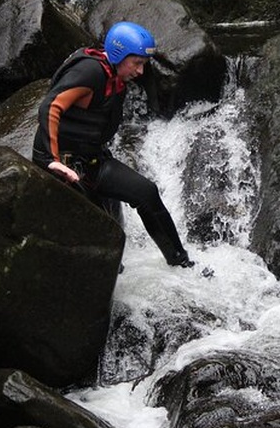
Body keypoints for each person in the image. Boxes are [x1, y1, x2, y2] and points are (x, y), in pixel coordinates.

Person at [32, 21, 194, 268]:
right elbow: (51, 106)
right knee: (106, 235)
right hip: (64, 164)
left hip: (92, 159)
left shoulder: (113, 73)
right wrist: (51, 160)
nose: (140, 71)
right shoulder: (90, 72)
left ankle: (181, 263)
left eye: (143, 64)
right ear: (118, 54)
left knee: (146, 192)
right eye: (137, 63)